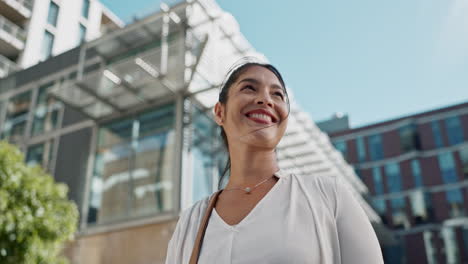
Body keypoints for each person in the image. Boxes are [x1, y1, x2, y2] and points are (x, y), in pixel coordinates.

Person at [165, 60, 384, 263]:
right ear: (219, 112)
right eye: (249, 88)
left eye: (277, 94)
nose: (266, 100)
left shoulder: (328, 197)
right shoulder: (191, 222)